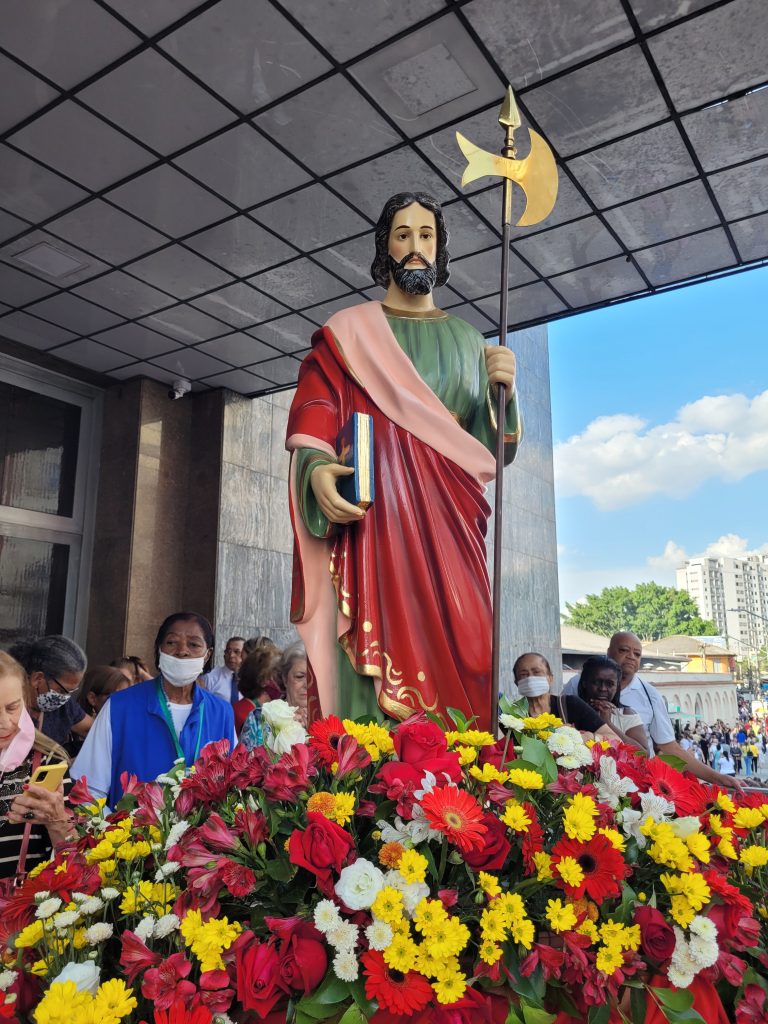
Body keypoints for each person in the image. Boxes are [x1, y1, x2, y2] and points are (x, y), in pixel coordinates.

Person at [287, 192, 521, 730]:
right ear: (384, 246)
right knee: (381, 635)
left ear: (440, 248)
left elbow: (491, 451)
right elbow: (317, 407)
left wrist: (504, 395)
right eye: (403, 234)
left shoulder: (469, 340)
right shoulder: (349, 333)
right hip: (378, 525)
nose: (415, 246)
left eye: (426, 235)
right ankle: (373, 764)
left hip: (451, 521)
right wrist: (315, 468)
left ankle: (464, 761)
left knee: (470, 638)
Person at [72, 612, 235, 806]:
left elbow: (230, 785)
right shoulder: (119, 707)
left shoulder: (221, 713)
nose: (182, 651)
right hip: (128, 825)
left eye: (194, 644)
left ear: (207, 654)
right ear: (159, 648)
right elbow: (89, 789)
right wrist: (116, 825)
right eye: (172, 642)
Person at [564, 632, 743, 790]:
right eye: (624, 650)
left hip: (634, 783)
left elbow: (669, 747)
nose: (631, 657)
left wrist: (717, 777)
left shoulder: (650, 695)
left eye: (637, 654)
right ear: (609, 651)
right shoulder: (575, 684)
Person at [0, 652, 74, 878]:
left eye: (12, 708)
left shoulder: (47, 762)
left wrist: (57, 822)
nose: (4, 722)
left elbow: (79, 864)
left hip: (20, 898)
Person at [9, 635, 92, 753]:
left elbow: (96, 731)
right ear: (37, 679)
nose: (65, 698)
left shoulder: (65, 708)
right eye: (62, 691)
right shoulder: (7, 704)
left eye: (71, 692)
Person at [514, 653, 624, 741]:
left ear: (550, 678)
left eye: (537, 672)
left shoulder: (570, 704)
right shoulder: (512, 715)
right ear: (516, 682)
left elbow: (614, 739)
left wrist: (582, 737)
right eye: (523, 674)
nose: (530, 678)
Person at [240, 641, 308, 750]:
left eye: (314, 678)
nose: (307, 684)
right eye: (299, 677)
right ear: (285, 678)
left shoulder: (329, 720)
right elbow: (243, 759)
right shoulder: (259, 719)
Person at [576, 655, 648, 751]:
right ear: (585, 683)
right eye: (597, 682)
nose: (603, 689)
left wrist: (607, 723)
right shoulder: (571, 710)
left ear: (617, 686)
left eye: (609, 684)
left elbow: (643, 753)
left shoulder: (625, 715)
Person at [234, 645, 281, 735]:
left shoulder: (269, 710)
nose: (284, 680)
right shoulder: (244, 714)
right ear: (263, 680)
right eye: (279, 675)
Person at [201, 636, 246, 704]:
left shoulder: (250, 679)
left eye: (237, 652)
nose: (231, 655)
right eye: (228, 651)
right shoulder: (210, 678)